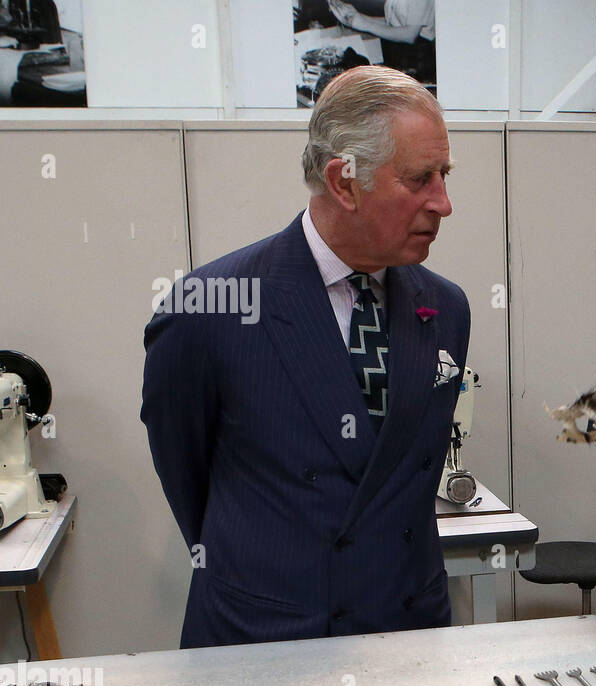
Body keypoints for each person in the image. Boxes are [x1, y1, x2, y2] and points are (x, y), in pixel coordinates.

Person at [141, 65, 468, 647]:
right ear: (345, 183)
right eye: (420, 179)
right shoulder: (210, 307)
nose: (443, 203)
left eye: (444, 174)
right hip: (264, 637)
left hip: (405, 635)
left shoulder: (445, 309)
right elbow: (184, 468)